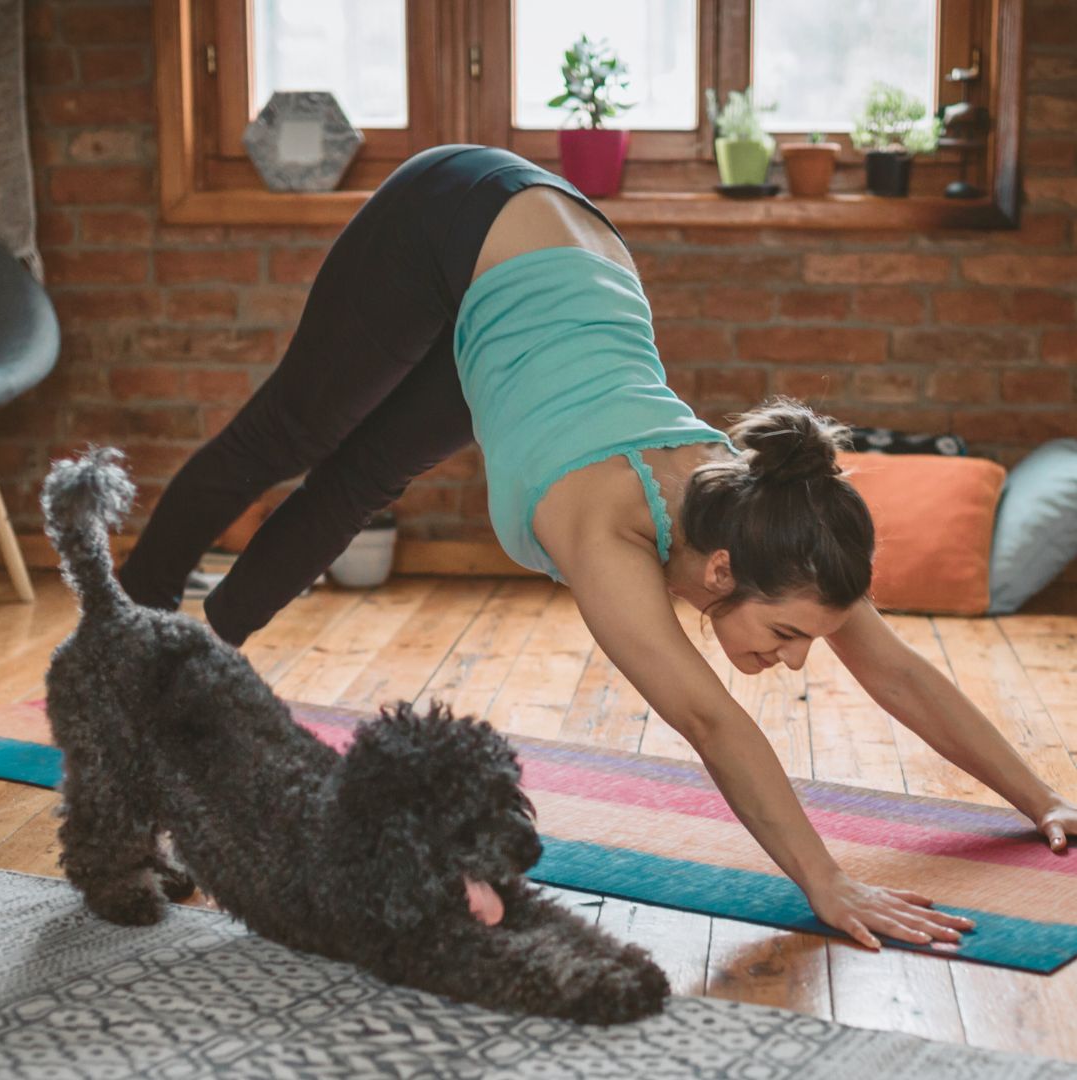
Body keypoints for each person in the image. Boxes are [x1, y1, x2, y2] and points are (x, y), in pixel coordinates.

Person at [118, 144, 1076, 948]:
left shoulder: (771, 528)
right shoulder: (604, 528)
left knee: (365, 479)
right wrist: (824, 883)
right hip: (459, 215)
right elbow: (713, 725)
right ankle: (122, 637)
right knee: (286, 436)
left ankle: (196, 660)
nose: (791, 661)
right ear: (718, 572)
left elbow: (898, 672)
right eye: (787, 635)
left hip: (562, 271)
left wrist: (1041, 802)